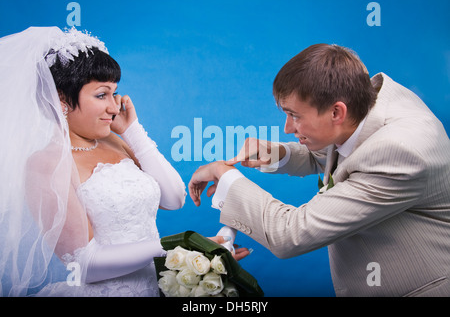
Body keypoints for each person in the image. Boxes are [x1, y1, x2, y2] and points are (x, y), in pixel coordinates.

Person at [188, 44, 450, 296]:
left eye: (295, 116)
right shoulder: (368, 101)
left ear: (337, 112)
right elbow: (343, 153)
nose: (287, 128)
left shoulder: (401, 152)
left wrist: (226, 176)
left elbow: (290, 234)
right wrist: (277, 153)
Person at [0, 27, 243, 297]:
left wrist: (133, 131)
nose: (114, 107)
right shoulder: (45, 164)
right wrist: (180, 249)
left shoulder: (115, 142)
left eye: (114, 93)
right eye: (101, 95)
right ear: (62, 101)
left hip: (153, 288)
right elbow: (85, 265)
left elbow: (175, 198)